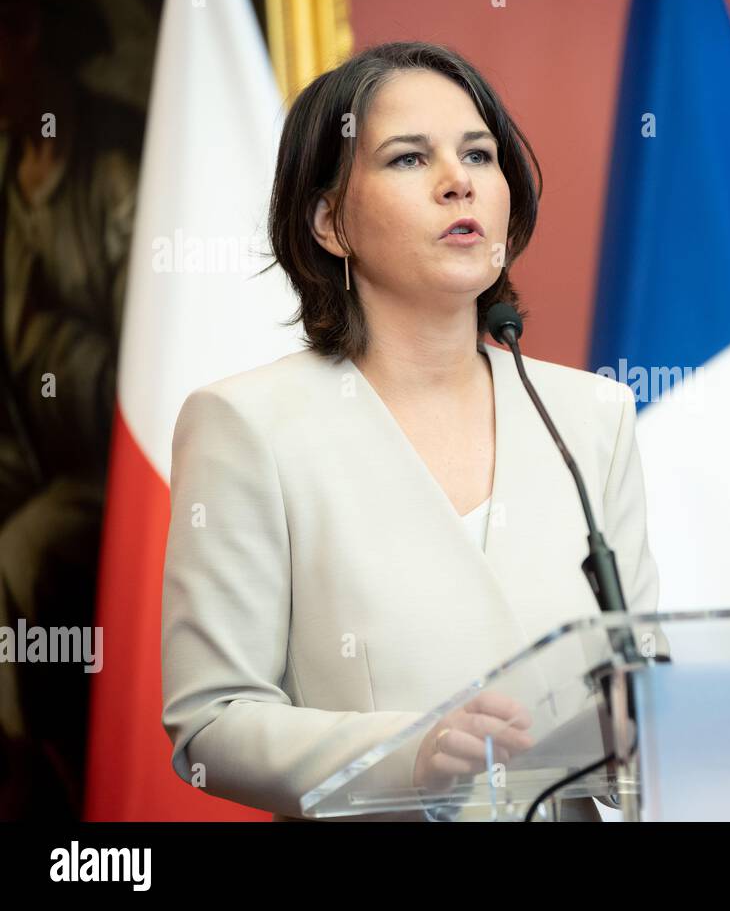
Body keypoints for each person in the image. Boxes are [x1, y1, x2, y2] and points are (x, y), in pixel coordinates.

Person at [160, 42, 659, 821]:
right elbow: (211, 725)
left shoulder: (592, 417)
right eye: (407, 159)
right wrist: (412, 753)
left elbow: (645, 685)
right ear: (330, 222)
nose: (458, 181)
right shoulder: (247, 426)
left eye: (478, 153)